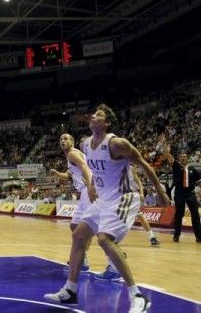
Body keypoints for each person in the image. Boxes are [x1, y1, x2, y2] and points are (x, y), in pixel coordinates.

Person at [44, 104, 169, 313]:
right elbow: (91, 168)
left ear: (107, 123)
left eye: (98, 115)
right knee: (78, 235)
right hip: (103, 198)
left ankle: (137, 297)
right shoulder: (85, 144)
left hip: (124, 197)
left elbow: (143, 164)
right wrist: (92, 186)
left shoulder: (117, 144)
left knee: (104, 239)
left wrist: (160, 191)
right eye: (93, 114)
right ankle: (70, 290)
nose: (93, 116)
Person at [49, 133, 96, 271]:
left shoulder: (72, 154)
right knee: (75, 226)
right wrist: (57, 173)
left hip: (88, 191)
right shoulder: (70, 156)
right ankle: (83, 258)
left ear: (72, 142)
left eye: (66, 139)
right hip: (84, 194)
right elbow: (68, 175)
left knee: (93, 227)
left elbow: (86, 169)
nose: (62, 141)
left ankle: (112, 260)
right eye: (61, 139)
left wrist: (90, 187)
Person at [160, 141, 201, 243]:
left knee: (195, 214)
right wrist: (164, 145)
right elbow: (168, 156)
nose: (183, 158)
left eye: (184, 156)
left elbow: (198, 181)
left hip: (190, 193)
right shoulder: (176, 166)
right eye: (181, 156)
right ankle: (176, 235)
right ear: (179, 158)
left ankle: (199, 236)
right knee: (179, 214)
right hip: (179, 193)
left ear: (187, 158)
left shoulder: (192, 169)